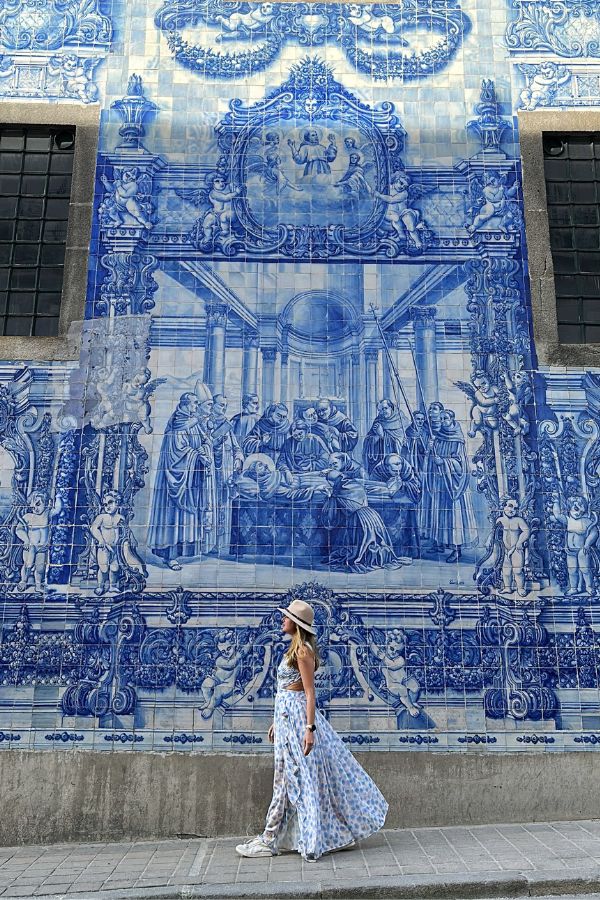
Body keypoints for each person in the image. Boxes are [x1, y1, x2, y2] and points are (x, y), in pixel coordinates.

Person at [236, 599, 388, 861]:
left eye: (286, 617)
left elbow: (308, 693)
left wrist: (309, 729)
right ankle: (284, 837)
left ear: (296, 624)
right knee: (287, 780)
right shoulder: (293, 650)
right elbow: (286, 691)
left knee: (288, 780)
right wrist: (276, 722)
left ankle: (269, 839)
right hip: (286, 720)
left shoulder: (302, 652)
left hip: (297, 721)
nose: (282, 620)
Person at [147, 387, 217, 569]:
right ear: (185, 405)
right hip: (177, 478)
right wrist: (197, 455)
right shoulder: (178, 423)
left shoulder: (193, 421)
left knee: (186, 519)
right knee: (173, 517)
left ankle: (181, 552)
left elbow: (204, 441)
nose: (196, 406)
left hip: (190, 478)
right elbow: (177, 453)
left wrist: (205, 448)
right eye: (194, 403)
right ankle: (169, 556)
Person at [322, 453, 405, 571]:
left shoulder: (344, 481)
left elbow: (332, 514)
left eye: (334, 463)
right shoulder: (346, 480)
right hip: (369, 516)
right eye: (330, 465)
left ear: (343, 461)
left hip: (361, 519)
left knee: (360, 550)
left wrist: (331, 495)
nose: (332, 467)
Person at [419, 409, 477, 562]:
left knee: (454, 517)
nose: (443, 421)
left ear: (452, 419)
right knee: (439, 514)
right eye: (441, 418)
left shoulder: (457, 440)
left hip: (454, 485)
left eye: (445, 418)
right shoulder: (438, 437)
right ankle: (439, 544)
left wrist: (444, 462)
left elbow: (461, 464)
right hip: (440, 483)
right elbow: (431, 459)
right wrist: (430, 449)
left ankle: (457, 550)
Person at [210, 394, 244, 554]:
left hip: (226, 474)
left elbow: (236, 448)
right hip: (211, 476)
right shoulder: (206, 423)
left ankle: (221, 544)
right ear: (212, 405)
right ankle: (209, 544)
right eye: (221, 405)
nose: (224, 408)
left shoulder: (227, 425)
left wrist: (238, 459)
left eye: (225, 405)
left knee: (225, 507)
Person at [363, 399, 406, 476]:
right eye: (380, 410)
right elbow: (367, 440)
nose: (382, 412)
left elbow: (401, 443)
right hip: (379, 462)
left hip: (395, 464)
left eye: (385, 408)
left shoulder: (402, 420)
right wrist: (376, 437)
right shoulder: (378, 421)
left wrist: (382, 435)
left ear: (391, 407)